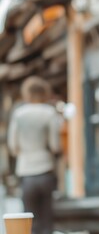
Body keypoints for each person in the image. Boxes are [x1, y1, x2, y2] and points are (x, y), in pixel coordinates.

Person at [7, 76, 60, 234]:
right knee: (46, 220)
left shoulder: (18, 114)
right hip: (45, 170)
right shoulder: (49, 113)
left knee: (29, 222)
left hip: (26, 172)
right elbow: (55, 146)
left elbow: (12, 146)